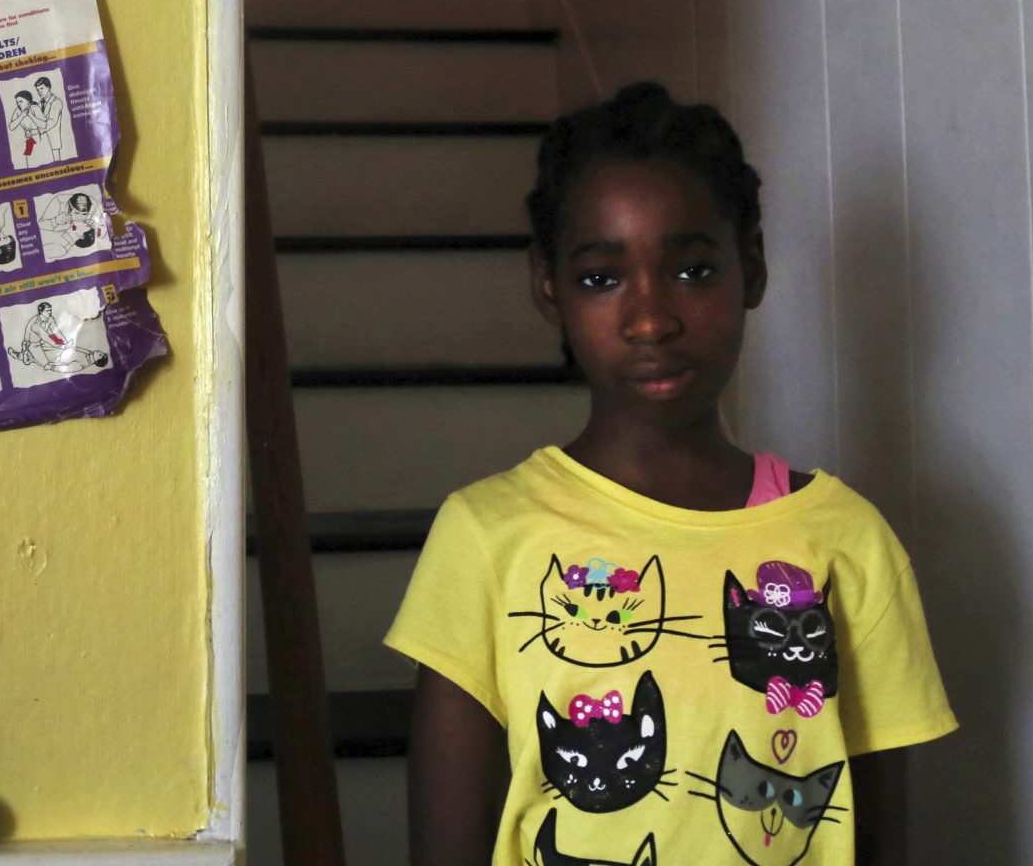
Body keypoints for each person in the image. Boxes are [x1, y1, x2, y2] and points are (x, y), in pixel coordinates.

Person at [385, 84, 956, 866]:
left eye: (691, 270)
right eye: (600, 278)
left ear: (751, 271)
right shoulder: (485, 536)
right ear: (547, 286)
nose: (650, 319)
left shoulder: (849, 541)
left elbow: (876, 838)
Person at [6, 301, 108, 374]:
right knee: (38, 356)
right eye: (47, 311)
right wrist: (63, 344)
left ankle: (22, 355)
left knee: (39, 360)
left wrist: (63, 343)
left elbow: (55, 332)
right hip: (34, 343)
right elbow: (43, 335)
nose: (50, 313)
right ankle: (23, 354)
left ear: (96, 360)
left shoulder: (81, 364)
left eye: (50, 310)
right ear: (41, 312)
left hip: (51, 351)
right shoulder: (34, 323)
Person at [38, 190, 107, 259]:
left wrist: (97, 227)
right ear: (69, 207)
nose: (80, 218)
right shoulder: (58, 202)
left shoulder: (94, 208)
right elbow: (37, 226)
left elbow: (104, 233)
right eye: (76, 213)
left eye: (84, 214)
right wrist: (55, 220)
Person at [34, 76, 68, 162]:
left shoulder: (56, 102)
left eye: (41, 88)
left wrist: (36, 131)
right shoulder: (37, 105)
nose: (39, 91)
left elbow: (52, 121)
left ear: (48, 87)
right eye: (37, 90)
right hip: (40, 142)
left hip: (53, 142)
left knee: (57, 165)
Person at [8, 90, 42, 166]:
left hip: (40, 138)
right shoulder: (17, 110)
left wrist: (33, 132)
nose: (18, 104)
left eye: (21, 101)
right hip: (29, 140)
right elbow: (11, 126)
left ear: (28, 101)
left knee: (43, 161)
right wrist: (22, 115)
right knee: (30, 163)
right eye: (17, 102)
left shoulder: (34, 108)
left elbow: (44, 125)